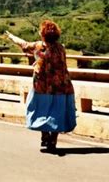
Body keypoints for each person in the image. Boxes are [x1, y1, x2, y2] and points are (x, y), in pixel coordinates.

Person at [5, 20, 76, 151]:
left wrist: (11, 36)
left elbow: (24, 44)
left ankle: (44, 135)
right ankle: (52, 140)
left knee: (39, 110)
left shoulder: (39, 46)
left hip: (42, 86)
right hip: (61, 85)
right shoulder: (61, 48)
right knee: (57, 113)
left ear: (43, 34)